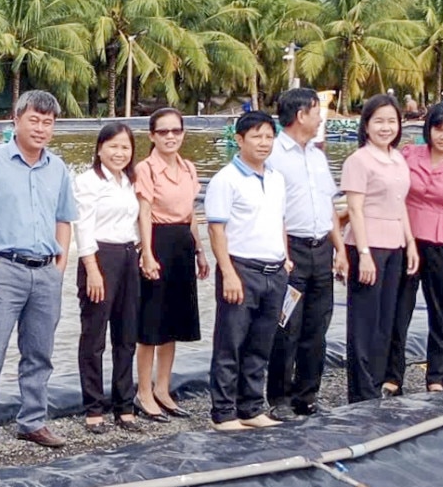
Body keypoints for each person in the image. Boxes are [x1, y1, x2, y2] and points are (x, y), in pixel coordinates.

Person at [0, 89, 77, 455]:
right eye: (34, 120)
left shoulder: (58, 167)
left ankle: (32, 421)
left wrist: (61, 264)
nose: (41, 128)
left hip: (46, 270)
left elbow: (65, 217)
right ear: (15, 120)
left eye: (48, 122)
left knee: (40, 352)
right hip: (3, 269)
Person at [203, 111, 290, 430]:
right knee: (230, 343)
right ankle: (223, 413)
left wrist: (286, 258)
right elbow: (216, 230)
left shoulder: (277, 178)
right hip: (241, 269)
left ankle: (252, 408)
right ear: (239, 140)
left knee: (260, 343)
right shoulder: (226, 180)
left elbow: (280, 221)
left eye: (269, 136)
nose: (264, 142)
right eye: (256, 136)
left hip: (274, 270)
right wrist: (228, 273)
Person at [387, 101, 443, 391]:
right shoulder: (408, 155)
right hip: (406, 239)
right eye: (438, 129)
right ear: (428, 129)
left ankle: (436, 377)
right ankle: (392, 376)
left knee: (441, 313)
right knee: (399, 309)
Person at [266, 87, 347, 417]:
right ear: (301, 115)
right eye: (317, 113)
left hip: (321, 248)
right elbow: (273, 211)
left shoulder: (316, 154)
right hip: (292, 250)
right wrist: (283, 254)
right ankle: (280, 398)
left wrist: (340, 249)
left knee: (317, 324)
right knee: (287, 326)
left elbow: (328, 206)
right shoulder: (273, 155)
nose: (320, 119)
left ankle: (307, 393)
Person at [341, 93, 419, 401]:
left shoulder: (397, 158)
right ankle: (360, 393)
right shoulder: (358, 160)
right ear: (366, 125)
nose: (386, 128)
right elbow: (355, 210)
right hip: (368, 245)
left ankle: (376, 382)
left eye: (391, 121)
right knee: (364, 323)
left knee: (386, 319)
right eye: (379, 122)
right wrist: (363, 254)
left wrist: (410, 243)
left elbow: (401, 205)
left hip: (395, 245)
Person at [133, 107, 208, 420]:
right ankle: (143, 391)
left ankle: (163, 388)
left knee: (175, 323)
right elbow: (144, 213)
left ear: (183, 133)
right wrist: (147, 253)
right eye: (163, 132)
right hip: (158, 242)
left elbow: (190, 215)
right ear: (152, 135)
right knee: (151, 324)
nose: (170, 137)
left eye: (175, 131)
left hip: (182, 244)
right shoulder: (146, 169)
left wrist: (200, 250)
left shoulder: (189, 168)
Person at [75, 121, 143, 431]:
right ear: (100, 148)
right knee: (94, 336)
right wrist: (92, 269)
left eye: (125, 147)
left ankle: (124, 405)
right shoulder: (88, 181)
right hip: (99, 257)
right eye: (113, 146)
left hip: (129, 256)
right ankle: (93, 408)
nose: (119, 152)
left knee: (126, 335)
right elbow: (83, 228)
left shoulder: (128, 181)